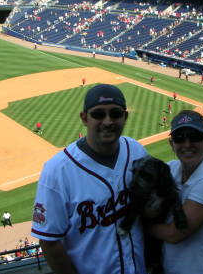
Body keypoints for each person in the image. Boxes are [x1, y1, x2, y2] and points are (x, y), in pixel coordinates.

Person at [31, 84, 148, 274]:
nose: (108, 121)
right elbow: (49, 242)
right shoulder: (57, 171)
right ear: (84, 118)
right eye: (98, 114)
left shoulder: (136, 151)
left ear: (125, 117)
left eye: (116, 114)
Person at [148, 110, 203, 274]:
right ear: (172, 144)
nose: (187, 144)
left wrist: (138, 225)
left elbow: (175, 233)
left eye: (194, 137)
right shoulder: (172, 168)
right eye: (180, 138)